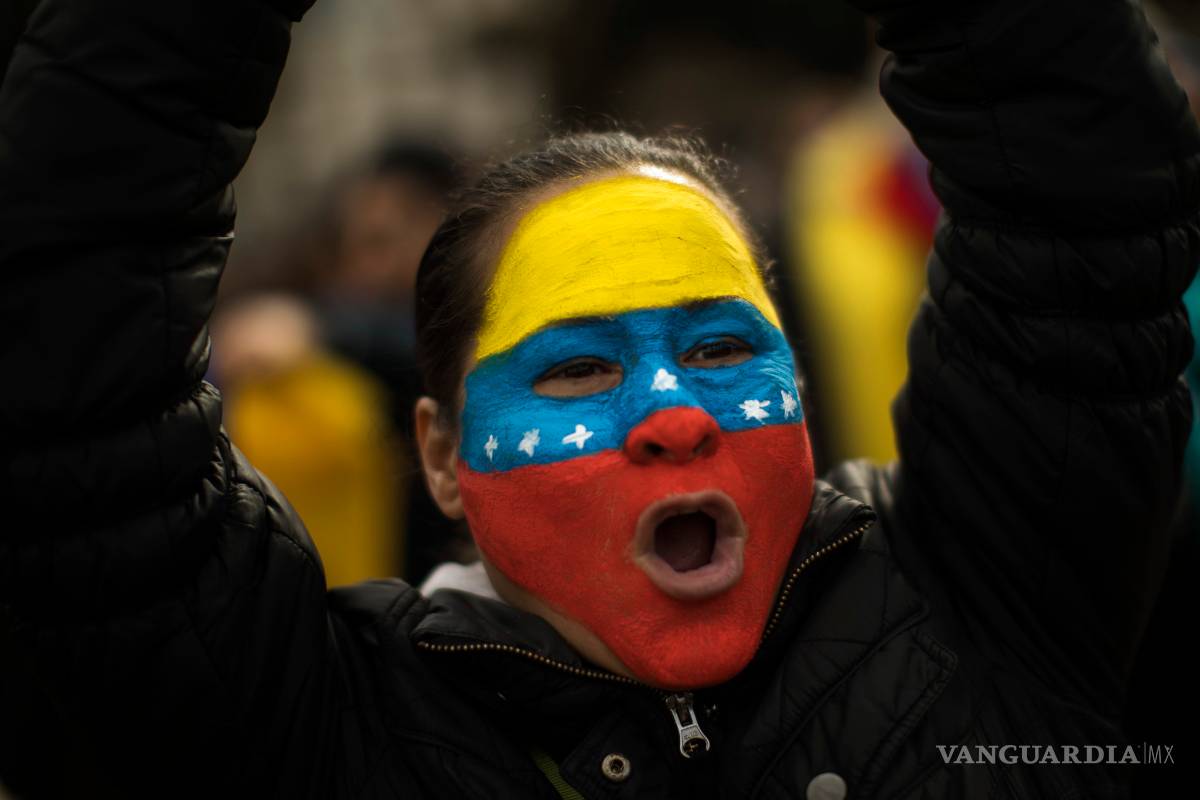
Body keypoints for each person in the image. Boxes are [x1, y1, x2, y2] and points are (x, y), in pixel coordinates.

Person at [1, 1, 1196, 799]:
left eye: (727, 349)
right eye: (576, 368)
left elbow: (1082, 194)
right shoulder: (315, 724)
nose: (677, 415)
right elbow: (68, 368)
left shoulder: (983, 590)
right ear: (442, 455)